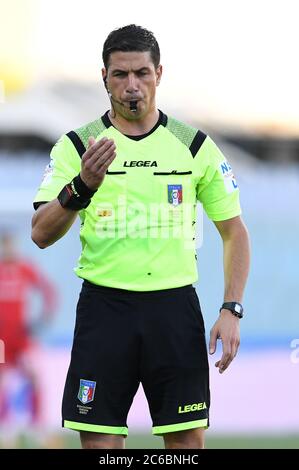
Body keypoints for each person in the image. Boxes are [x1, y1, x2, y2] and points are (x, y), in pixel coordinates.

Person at [31, 24, 250, 449]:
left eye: (142, 74)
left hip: (173, 310)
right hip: (104, 310)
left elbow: (234, 230)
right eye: (120, 75)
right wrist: (81, 186)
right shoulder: (78, 146)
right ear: (105, 78)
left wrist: (231, 308)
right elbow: (40, 233)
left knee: (185, 448)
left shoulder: (193, 145)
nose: (132, 86)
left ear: (159, 74)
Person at [0, 232, 57, 432]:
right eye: (5, 246)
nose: (9, 250)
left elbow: (48, 290)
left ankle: (37, 427)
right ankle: (5, 428)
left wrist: (43, 318)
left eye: (11, 246)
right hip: (1, 340)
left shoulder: (25, 268)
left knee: (33, 376)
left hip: (21, 337)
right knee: (2, 381)